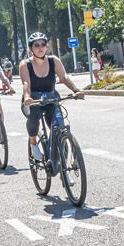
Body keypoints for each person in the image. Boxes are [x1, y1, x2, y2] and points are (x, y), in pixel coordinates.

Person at [18, 32, 83, 162]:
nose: (40, 47)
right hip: (33, 99)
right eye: (36, 45)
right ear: (31, 48)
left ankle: (61, 166)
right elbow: (26, 83)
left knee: (59, 127)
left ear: (47, 46)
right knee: (34, 118)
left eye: (43, 44)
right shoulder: (25, 64)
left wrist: (76, 90)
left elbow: (64, 78)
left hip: (51, 98)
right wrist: (27, 97)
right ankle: (33, 143)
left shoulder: (54, 60)